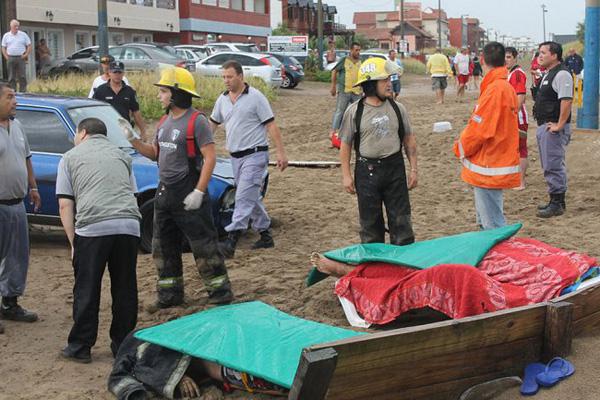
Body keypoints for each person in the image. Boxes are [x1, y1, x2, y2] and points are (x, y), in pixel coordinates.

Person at [125, 66, 234, 309]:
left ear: (176, 94)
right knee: (162, 248)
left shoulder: (197, 122)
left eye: (163, 91)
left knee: (204, 247)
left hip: (189, 193)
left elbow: (210, 158)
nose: (159, 96)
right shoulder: (164, 121)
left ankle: (220, 294)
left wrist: (199, 191)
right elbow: (154, 154)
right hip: (165, 194)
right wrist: (132, 138)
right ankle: (169, 296)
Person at [56, 118, 140, 362]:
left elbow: (65, 204)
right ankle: (123, 344)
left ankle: (80, 347)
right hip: (128, 224)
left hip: (93, 226)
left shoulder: (70, 157)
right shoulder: (123, 156)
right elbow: (132, 194)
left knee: (87, 287)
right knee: (125, 287)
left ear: (82, 133)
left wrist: (74, 243)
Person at [210, 60, 288, 258]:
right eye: (224, 77)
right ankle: (265, 235)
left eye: (229, 76)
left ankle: (230, 242)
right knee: (250, 196)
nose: (226, 81)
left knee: (243, 196)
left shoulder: (256, 97)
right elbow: (213, 123)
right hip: (235, 157)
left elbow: (271, 126)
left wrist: (281, 152)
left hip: (255, 154)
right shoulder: (222, 100)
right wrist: (204, 145)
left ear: (240, 76)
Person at [339, 57, 418, 245]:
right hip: (366, 173)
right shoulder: (353, 111)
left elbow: (409, 139)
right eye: (385, 80)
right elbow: (346, 145)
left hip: (395, 169)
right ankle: (375, 269)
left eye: (390, 80)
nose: (389, 84)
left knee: (401, 223)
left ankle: (403, 266)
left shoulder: (398, 109)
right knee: (370, 225)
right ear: (371, 84)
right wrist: (346, 175)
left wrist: (414, 169)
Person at [453, 42, 520, 230]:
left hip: (489, 163)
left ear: (482, 60)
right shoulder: (502, 86)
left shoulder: (495, 89)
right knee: (488, 220)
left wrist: (460, 148)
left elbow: (480, 129)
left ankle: (499, 258)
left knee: (492, 224)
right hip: (494, 159)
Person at [108, 332, 288, 400]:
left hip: (209, 350)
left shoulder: (146, 338)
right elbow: (124, 377)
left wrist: (179, 376)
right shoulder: (137, 349)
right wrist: (178, 377)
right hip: (214, 362)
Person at [0, 82, 41, 334]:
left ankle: (10, 303)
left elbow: (26, 158)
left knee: (17, 256)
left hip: (17, 204)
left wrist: (33, 187)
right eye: (9, 97)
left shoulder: (17, 126)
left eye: (14, 96)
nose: (14, 101)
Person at [533, 41, 573, 218]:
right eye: (539, 53)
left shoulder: (562, 74)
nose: (539, 56)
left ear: (554, 55)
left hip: (553, 127)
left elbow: (566, 100)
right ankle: (555, 200)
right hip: (545, 125)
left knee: (553, 164)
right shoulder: (548, 73)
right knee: (548, 164)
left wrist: (560, 124)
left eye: (543, 53)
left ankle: (557, 203)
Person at [92, 61, 146, 137]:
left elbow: (136, 112)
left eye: (119, 72)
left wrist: (143, 131)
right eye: (115, 72)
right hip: (107, 130)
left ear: (123, 73)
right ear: (109, 73)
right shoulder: (100, 90)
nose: (117, 75)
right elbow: (94, 110)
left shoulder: (130, 91)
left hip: (125, 130)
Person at [505, 46, 529, 190]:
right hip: (511, 116)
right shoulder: (510, 73)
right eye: (504, 57)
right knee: (514, 148)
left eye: (508, 57)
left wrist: (513, 115)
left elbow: (520, 96)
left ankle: (521, 182)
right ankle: (516, 178)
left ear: (515, 57)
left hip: (518, 117)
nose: (506, 60)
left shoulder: (518, 74)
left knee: (521, 149)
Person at [330, 42, 362, 142]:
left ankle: (357, 133)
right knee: (340, 111)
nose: (358, 52)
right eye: (356, 50)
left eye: (359, 50)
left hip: (357, 92)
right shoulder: (344, 60)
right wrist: (333, 86)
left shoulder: (361, 62)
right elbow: (334, 71)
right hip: (344, 90)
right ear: (351, 50)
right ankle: (333, 132)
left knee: (359, 112)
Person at [1, 20, 31, 92]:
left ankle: (23, 91)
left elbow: (29, 45)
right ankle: (12, 91)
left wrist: (26, 54)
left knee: (22, 76)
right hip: (10, 57)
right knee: (11, 76)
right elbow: (3, 47)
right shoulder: (6, 35)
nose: (17, 28)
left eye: (18, 26)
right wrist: (6, 57)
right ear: (11, 26)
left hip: (21, 57)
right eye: (15, 26)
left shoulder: (23, 35)